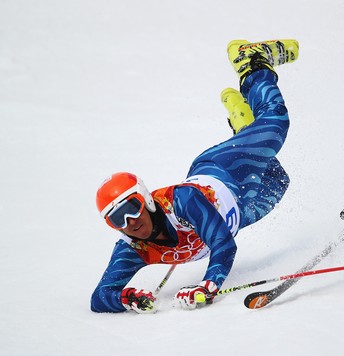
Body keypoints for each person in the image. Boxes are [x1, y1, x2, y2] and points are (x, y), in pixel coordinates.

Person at [91, 39, 299, 313]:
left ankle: (252, 63)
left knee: (276, 122)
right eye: (117, 219)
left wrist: (209, 285)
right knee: (278, 179)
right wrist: (126, 298)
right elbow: (99, 297)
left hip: (223, 167)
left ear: (145, 199)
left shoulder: (181, 201)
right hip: (241, 208)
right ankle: (244, 126)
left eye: (131, 208)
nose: (129, 222)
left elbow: (223, 245)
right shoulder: (134, 247)